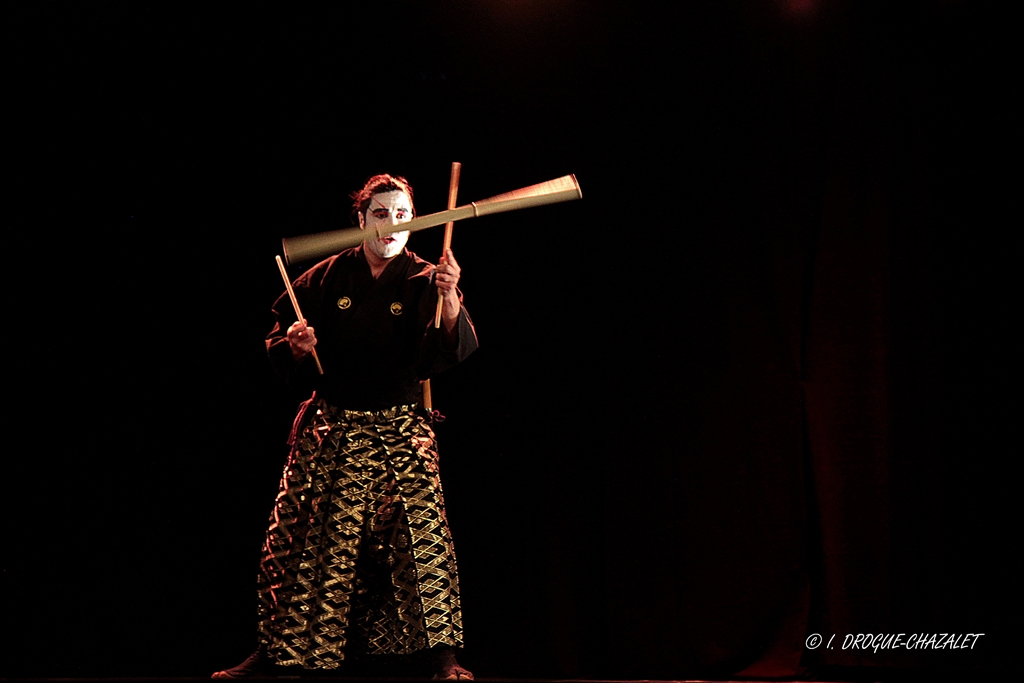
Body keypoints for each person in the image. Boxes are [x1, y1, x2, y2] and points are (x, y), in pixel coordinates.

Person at [213, 174, 477, 680]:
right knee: (300, 539)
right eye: (381, 214)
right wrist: (296, 345)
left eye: (403, 215)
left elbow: (444, 351)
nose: (392, 225)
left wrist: (452, 300)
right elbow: (282, 340)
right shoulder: (326, 277)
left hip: (400, 427)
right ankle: (278, 653)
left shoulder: (427, 278)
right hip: (333, 424)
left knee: (422, 540)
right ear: (361, 220)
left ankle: (440, 657)